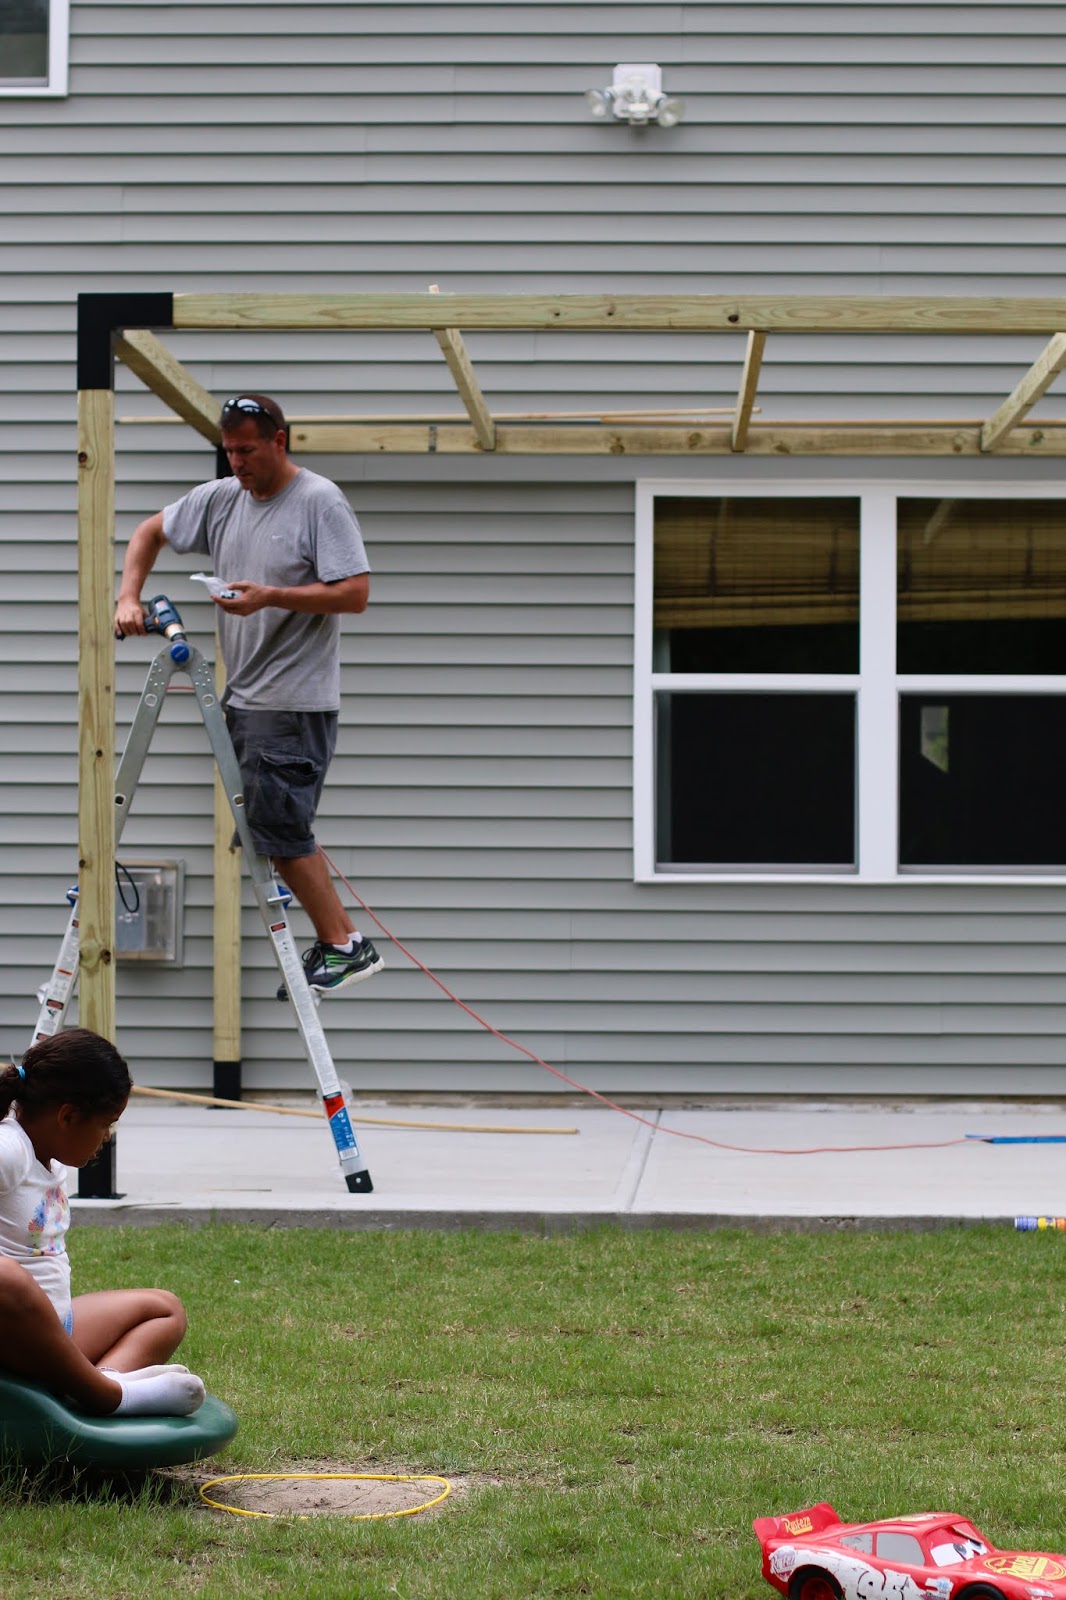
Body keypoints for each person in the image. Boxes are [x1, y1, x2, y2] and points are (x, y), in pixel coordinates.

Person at [113, 393, 383, 997]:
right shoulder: (220, 499)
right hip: (245, 699)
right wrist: (129, 596)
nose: (236, 462)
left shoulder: (318, 501)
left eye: (247, 450)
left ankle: (345, 947)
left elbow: (355, 593)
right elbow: (149, 531)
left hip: (293, 702)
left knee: (279, 832)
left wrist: (269, 596)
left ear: (279, 441)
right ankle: (336, 941)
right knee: (269, 830)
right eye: (229, 451)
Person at [0, 1027, 205, 1417]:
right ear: (68, 1116)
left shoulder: (46, 1156)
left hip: (54, 1334)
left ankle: (99, 1379)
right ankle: (108, 1396)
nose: (107, 1137)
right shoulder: (10, 1150)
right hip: (12, 1337)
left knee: (164, 1309)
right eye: (106, 1123)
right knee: (5, 1276)